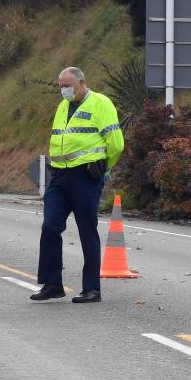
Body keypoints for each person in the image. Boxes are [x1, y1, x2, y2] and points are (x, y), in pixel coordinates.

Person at [31, 67, 124, 303]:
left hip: (85, 177)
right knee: (50, 228)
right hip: (60, 177)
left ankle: (92, 289)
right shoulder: (63, 106)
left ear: (82, 83)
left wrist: (104, 168)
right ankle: (52, 284)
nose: (64, 90)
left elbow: (116, 144)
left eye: (68, 85)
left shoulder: (101, 104)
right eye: (61, 86)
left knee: (87, 231)